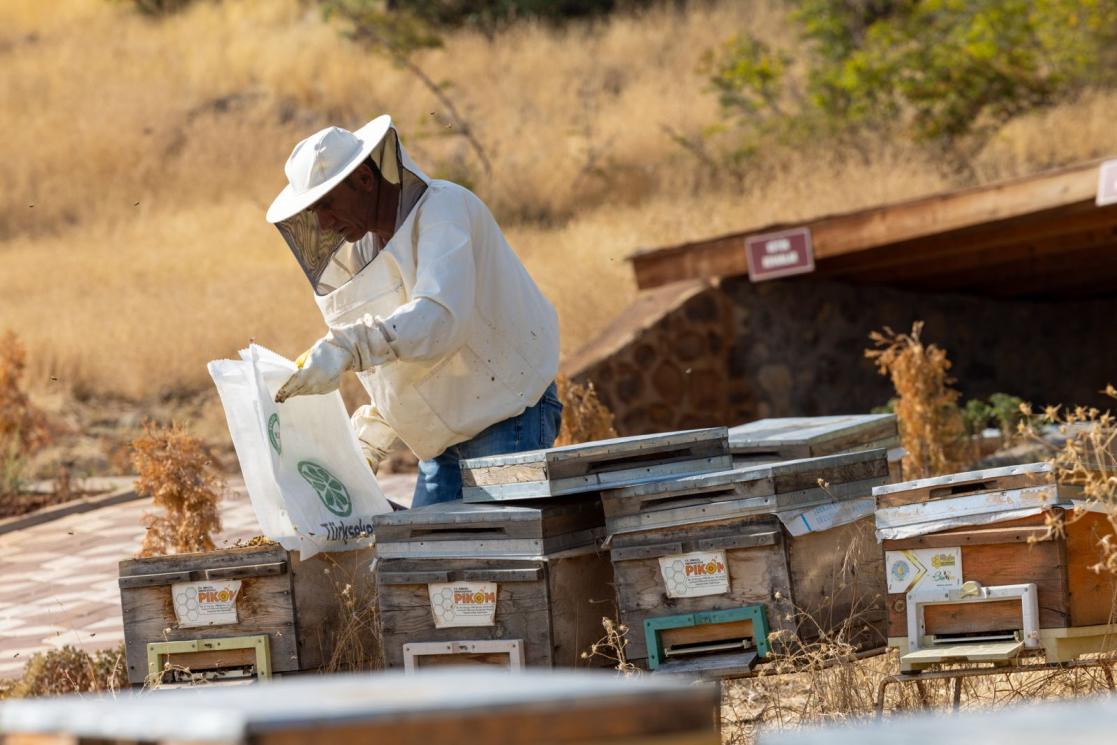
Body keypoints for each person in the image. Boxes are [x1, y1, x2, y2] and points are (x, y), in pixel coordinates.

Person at [265, 115, 562, 507]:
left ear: (364, 179)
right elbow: (396, 359)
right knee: (429, 545)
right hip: (440, 441)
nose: (321, 222)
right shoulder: (361, 254)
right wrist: (369, 441)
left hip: (507, 415)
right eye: (313, 210)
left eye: (327, 204)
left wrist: (348, 346)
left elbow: (439, 321)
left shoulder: (443, 210)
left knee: (501, 541)